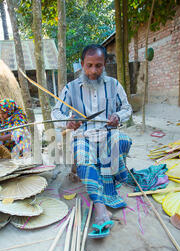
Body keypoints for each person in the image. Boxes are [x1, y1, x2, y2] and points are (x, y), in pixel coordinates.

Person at [51, 44, 133, 238]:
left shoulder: (114, 85)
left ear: (104, 64)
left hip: (108, 134)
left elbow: (127, 108)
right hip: (84, 136)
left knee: (123, 141)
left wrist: (118, 117)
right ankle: (100, 207)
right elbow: (56, 112)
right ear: (81, 64)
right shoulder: (71, 88)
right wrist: (67, 122)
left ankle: (105, 170)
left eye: (98, 66)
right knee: (83, 158)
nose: (93, 71)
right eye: (89, 66)